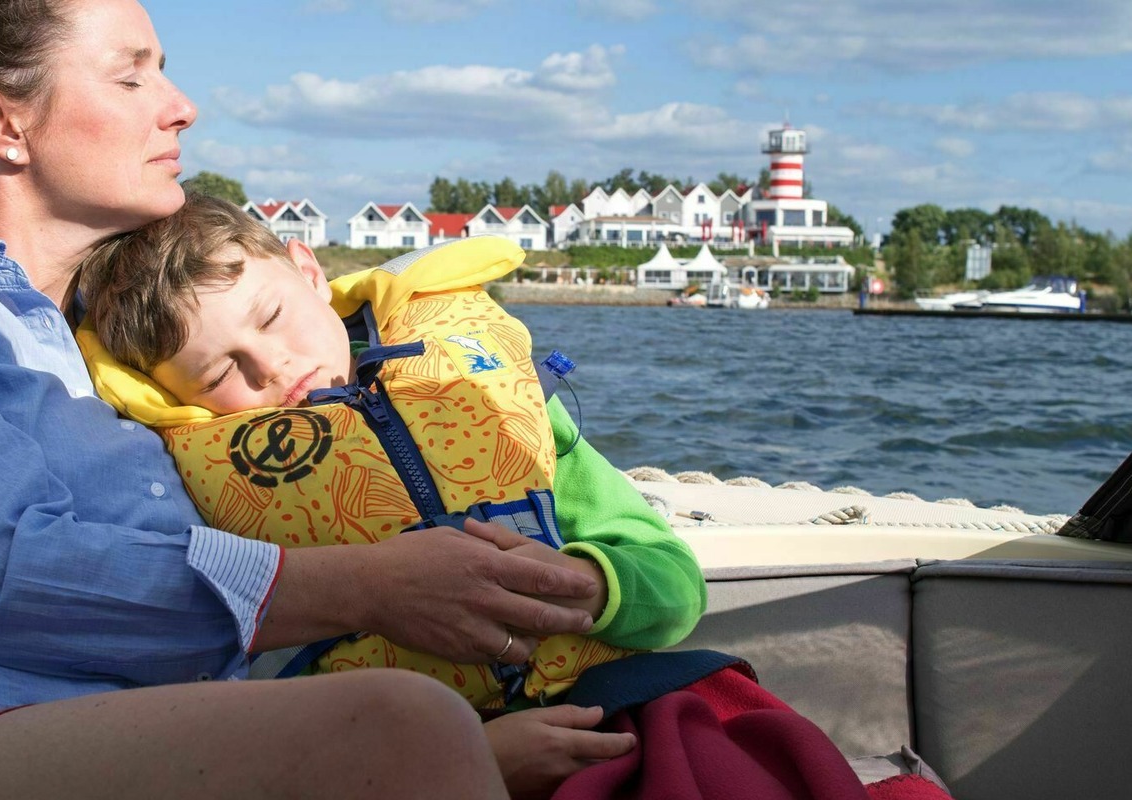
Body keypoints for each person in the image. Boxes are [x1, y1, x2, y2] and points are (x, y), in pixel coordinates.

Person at [0, 0, 637, 798]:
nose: (181, 109)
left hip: (132, 739)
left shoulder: (160, 379)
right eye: (131, 77)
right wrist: (373, 589)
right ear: (1, 125)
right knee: (400, 727)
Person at [75, 193, 707, 709]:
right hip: (413, 748)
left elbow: (676, 584)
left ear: (309, 272)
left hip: (607, 701)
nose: (272, 366)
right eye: (218, 374)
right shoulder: (198, 487)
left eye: (270, 318)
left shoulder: (489, 392)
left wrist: (594, 587)